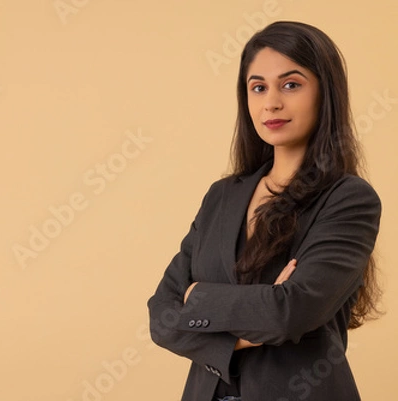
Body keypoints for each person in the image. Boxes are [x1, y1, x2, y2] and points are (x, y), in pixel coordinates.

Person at [147, 21, 382, 401]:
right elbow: (162, 318)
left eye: (291, 84)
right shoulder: (221, 197)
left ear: (326, 92)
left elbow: (290, 313)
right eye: (258, 87)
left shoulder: (348, 199)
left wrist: (198, 296)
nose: (271, 102)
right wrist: (241, 335)